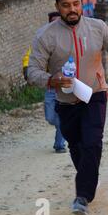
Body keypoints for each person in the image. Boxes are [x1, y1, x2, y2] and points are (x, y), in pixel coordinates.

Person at [27, 0, 108, 215]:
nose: (72, 9)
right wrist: (53, 80)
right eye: (66, 5)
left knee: (92, 143)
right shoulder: (46, 36)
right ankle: (89, 179)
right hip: (66, 103)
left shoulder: (98, 26)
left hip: (95, 95)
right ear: (57, 7)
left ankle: (82, 197)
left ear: (81, 3)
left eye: (76, 4)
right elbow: (32, 72)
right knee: (76, 147)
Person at [23, 12, 67, 153]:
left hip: (67, 85)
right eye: (53, 22)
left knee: (61, 117)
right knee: (50, 117)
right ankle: (64, 125)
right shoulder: (43, 39)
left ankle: (60, 145)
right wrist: (26, 69)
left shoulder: (69, 39)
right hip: (50, 84)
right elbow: (30, 56)